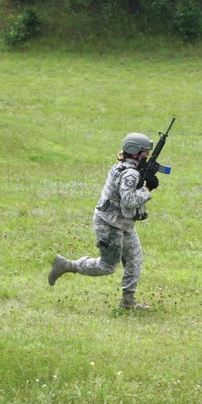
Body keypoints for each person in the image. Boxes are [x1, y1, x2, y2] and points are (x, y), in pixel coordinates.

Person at [48, 132, 160, 310]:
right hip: (109, 224)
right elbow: (129, 200)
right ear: (135, 152)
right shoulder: (130, 173)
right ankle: (67, 265)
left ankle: (127, 302)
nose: (147, 155)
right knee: (107, 266)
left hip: (123, 223)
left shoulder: (123, 166)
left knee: (135, 258)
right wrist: (148, 188)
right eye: (145, 152)